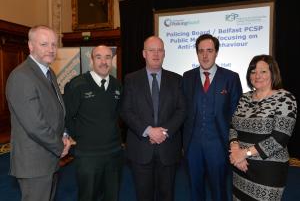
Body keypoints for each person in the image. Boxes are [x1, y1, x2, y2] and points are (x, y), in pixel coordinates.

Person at [5, 25, 72, 201]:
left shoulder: (49, 73)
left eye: (53, 44)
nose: (50, 49)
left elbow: (58, 110)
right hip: (34, 164)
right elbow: (35, 125)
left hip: (49, 159)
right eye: (44, 44)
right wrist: (60, 146)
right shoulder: (22, 76)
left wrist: (64, 135)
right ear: (30, 46)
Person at [121, 36, 186, 201]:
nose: (156, 54)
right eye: (151, 50)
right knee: (143, 196)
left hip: (168, 150)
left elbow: (182, 110)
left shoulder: (177, 79)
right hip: (140, 150)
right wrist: (149, 131)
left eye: (160, 50)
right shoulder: (131, 80)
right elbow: (126, 111)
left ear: (164, 53)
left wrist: (164, 133)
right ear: (144, 53)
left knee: (167, 196)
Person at [182, 34, 242, 201]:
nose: (205, 55)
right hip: (192, 145)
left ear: (216, 53)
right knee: (195, 189)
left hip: (219, 144)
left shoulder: (231, 78)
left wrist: (234, 143)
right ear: (197, 53)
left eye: (209, 50)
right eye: (201, 51)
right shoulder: (187, 77)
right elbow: (181, 110)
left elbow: (236, 114)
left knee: (219, 190)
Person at [229, 54, 297, 200]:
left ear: (273, 73)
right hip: (241, 166)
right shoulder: (245, 98)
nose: (257, 75)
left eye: (263, 71)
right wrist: (235, 150)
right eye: (253, 72)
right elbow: (233, 126)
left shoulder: (285, 98)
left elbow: (279, 139)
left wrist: (244, 153)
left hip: (268, 171)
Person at [63, 45, 123, 201]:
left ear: (112, 60)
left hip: (113, 153)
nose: (104, 62)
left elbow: (116, 114)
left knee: (112, 196)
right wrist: (82, 138)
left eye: (108, 57)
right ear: (91, 60)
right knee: (88, 196)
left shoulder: (117, 85)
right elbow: (66, 116)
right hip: (88, 155)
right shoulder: (77, 84)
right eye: (98, 57)